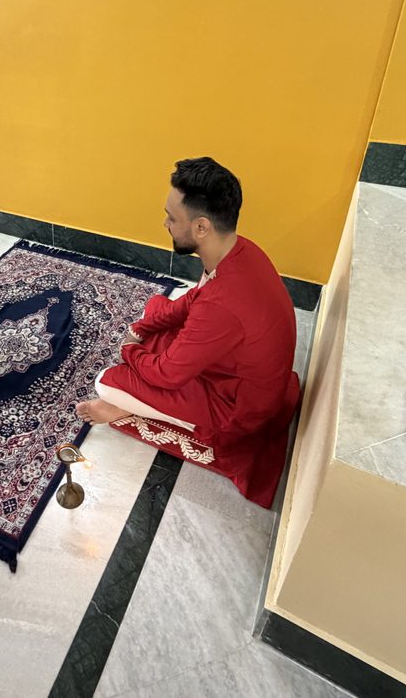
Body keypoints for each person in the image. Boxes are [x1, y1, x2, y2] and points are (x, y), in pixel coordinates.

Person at [76, 158, 300, 507]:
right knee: (158, 310)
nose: (165, 223)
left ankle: (126, 410)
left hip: (236, 409)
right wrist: (141, 328)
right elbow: (195, 298)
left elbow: (167, 374)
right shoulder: (241, 251)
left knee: (107, 381)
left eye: (171, 217)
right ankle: (140, 380)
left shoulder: (222, 305)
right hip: (236, 372)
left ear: (200, 228)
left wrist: (129, 350)